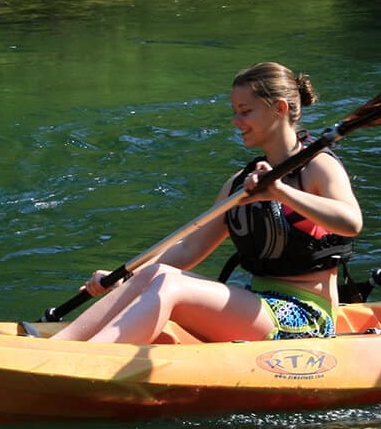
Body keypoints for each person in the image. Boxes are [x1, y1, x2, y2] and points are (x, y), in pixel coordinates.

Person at [55, 62, 363, 344]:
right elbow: (188, 249)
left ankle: (92, 358)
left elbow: (351, 222)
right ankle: (62, 345)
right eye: (235, 111)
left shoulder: (318, 167)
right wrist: (123, 278)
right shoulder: (240, 183)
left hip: (305, 317)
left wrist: (281, 192)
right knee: (157, 273)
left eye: (245, 111)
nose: (236, 120)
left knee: (170, 286)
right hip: (258, 304)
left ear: (279, 108)